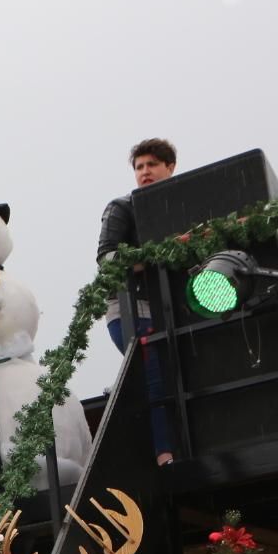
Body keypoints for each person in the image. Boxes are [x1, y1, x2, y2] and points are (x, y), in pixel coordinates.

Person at [96, 138, 178, 464]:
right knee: (154, 378)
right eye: (139, 167)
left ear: (170, 168)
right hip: (131, 310)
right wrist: (151, 258)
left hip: (175, 310)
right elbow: (106, 257)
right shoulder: (122, 208)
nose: (144, 172)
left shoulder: (182, 208)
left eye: (152, 165)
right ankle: (164, 455)